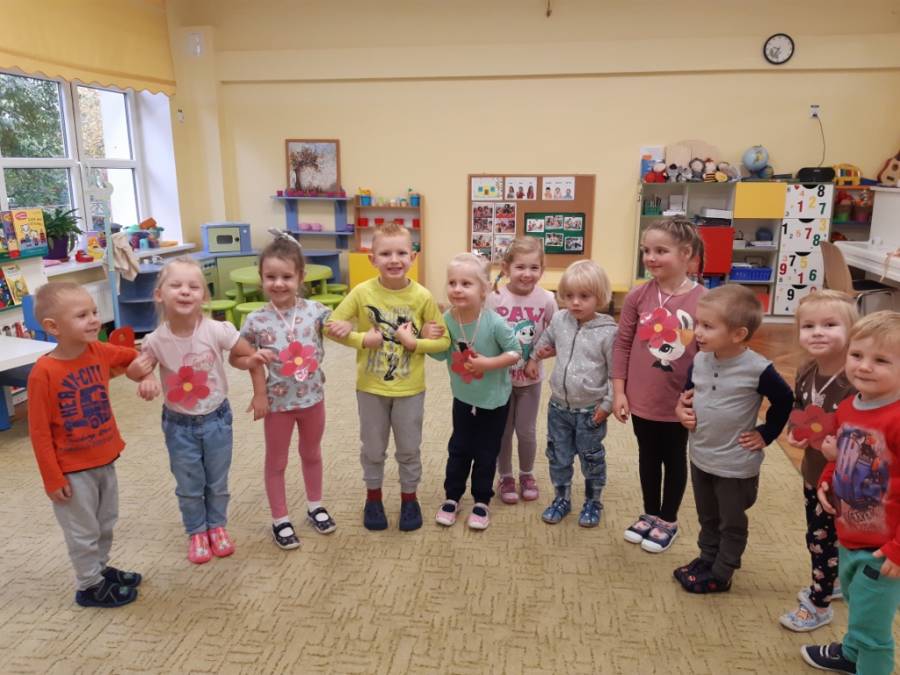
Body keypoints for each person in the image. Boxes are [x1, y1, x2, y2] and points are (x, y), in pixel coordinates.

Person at [132, 256, 272, 564]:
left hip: (217, 420)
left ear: (204, 296)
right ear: (159, 294)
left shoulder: (217, 330)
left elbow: (249, 358)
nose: (185, 291)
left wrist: (260, 392)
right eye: (176, 285)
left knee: (217, 481)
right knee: (189, 483)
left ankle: (217, 527)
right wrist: (144, 379)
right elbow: (140, 369)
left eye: (193, 286)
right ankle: (196, 531)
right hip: (178, 425)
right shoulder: (155, 340)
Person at [27, 282, 154, 607]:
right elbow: (39, 432)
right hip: (71, 471)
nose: (94, 319)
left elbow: (135, 357)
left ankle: (99, 569)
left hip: (105, 458)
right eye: (82, 315)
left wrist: (144, 375)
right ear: (53, 326)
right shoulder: (43, 373)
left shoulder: (98, 351)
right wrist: (52, 477)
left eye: (94, 312)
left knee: (105, 522)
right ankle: (88, 586)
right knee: (82, 531)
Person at [326, 223, 450, 531]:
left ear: (413, 257)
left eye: (401, 253)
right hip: (370, 389)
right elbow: (330, 327)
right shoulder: (362, 292)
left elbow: (444, 342)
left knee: (409, 448)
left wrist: (415, 343)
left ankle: (409, 498)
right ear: (372, 259)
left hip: (410, 390)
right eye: (385, 254)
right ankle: (373, 498)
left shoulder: (422, 296)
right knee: (372, 448)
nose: (394, 260)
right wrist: (360, 339)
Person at [674, 285, 793, 593]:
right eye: (698, 323)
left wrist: (766, 433)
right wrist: (682, 410)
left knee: (731, 522)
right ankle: (707, 558)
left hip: (734, 464)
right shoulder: (700, 359)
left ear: (738, 334)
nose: (697, 332)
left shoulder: (758, 369)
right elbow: (688, 394)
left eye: (707, 326)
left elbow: (785, 400)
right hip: (700, 455)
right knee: (707, 516)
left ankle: (722, 572)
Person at [802, 311, 900, 675]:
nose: (865, 366)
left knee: (875, 632)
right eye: (857, 355)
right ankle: (851, 653)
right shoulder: (848, 406)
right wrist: (828, 478)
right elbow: (843, 453)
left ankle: (867, 659)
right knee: (859, 606)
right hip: (850, 534)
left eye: (881, 360)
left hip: (885, 548)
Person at [611, 219, 706, 553]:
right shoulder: (638, 296)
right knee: (647, 455)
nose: (650, 258)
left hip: (680, 399)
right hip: (641, 396)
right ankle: (650, 512)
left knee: (674, 456)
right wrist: (619, 391)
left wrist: (697, 398)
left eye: (660, 251)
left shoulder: (704, 300)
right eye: (646, 250)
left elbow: (710, 355)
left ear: (686, 253)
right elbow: (622, 345)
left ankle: (668, 519)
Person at [241, 233, 335, 550]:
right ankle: (280, 519)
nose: (278, 283)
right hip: (278, 404)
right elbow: (239, 356)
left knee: (312, 453)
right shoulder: (255, 320)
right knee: (276, 461)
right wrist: (258, 391)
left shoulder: (316, 311)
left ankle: (315, 505)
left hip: (313, 400)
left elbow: (341, 327)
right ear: (261, 278)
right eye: (271, 277)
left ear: (300, 277)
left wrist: (348, 327)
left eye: (286, 276)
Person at [780, 291, 857, 632]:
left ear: (852, 330)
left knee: (822, 540)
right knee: (820, 534)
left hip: (846, 479)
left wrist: (842, 452)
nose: (818, 332)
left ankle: (819, 603)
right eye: (808, 326)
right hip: (814, 472)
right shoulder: (807, 369)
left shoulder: (855, 379)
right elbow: (800, 408)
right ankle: (834, 582)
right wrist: (794, 430)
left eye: (830, 325)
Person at [429, 253, 520, 530]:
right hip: (463, 398)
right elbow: (440, 355)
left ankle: (481, 500)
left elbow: (515, 352)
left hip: (493, 402)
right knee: (458, 448)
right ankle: (452, 496)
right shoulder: (447, 319)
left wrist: (487, 364)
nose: (457, 289)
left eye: (466, 284)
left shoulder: (494, 323)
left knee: (486, 451)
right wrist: (427, 338)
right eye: (452, 283)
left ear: (484, 290)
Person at [532, 260, 617, 527]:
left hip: (591, 411)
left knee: (591, 459)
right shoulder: (560, 319)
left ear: (599, 296)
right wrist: (535, 357)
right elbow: (545, 339)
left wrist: (608, 405)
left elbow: (616, 373)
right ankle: (562, 498)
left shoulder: (609, 332)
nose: (575, 302)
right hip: (558, 408)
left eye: (584, 296)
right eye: (569, 296)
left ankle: (593, 501)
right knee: (558, 456)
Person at [486, 237, 557, 504]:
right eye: (520, 267)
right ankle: (505, 476)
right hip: (499, 381)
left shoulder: (547, 299)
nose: (527, 274)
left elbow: (556, 337)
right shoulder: (494, 298)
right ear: (506, 268)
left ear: (542, 269)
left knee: (526, 431)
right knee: (503, 432)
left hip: (530, 380)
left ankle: (527, 474)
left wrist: (535, 358)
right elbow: (485, 336)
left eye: (534, 268)